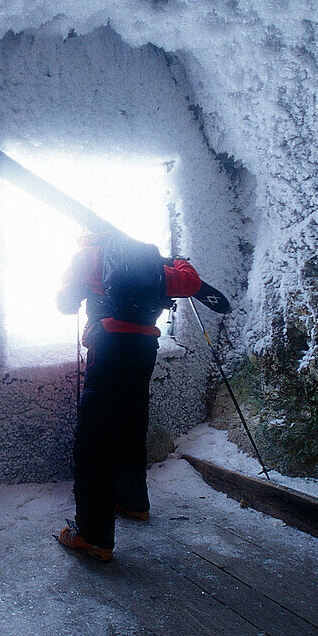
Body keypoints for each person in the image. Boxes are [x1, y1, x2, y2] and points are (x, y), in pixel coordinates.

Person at [55, 232, 201, 561]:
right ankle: (133, 503)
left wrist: (70, 279)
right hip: (143, 350)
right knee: (131, 426)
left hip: (107, 348)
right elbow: (191, 283)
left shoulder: (88, 256)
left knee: (94, 443)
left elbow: (65, 304)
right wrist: (174, 261)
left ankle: (93, 536)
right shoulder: (149, 264)